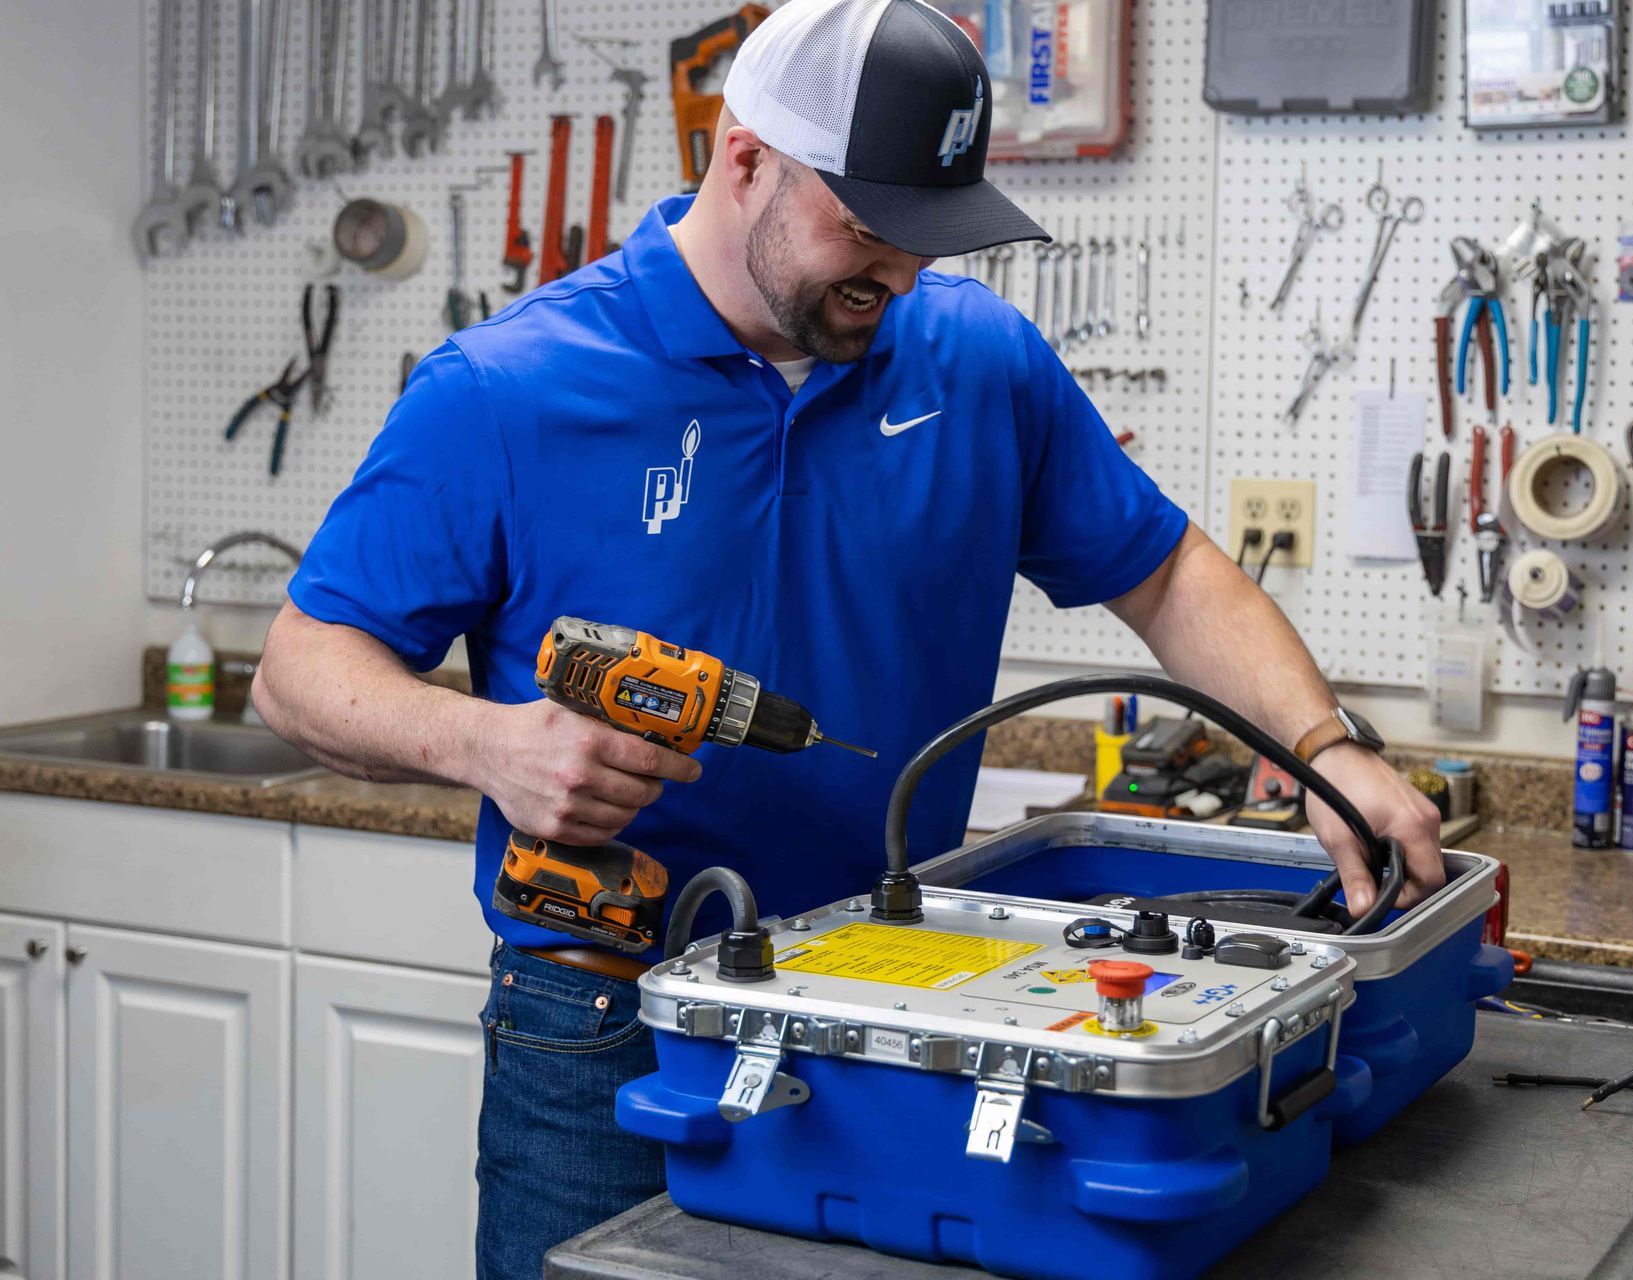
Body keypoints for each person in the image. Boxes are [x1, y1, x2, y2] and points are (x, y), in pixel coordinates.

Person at [253, 1, 1443, 1274]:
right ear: (744, 156)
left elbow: (1167, 575)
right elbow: (299, 672)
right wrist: (486, 742)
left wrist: (1329, 747)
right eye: (869, 227)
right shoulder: (504, 390)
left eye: (931, 238)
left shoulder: (978, 361)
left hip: (902, 1005)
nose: (903, 274)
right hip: (608, 1020)